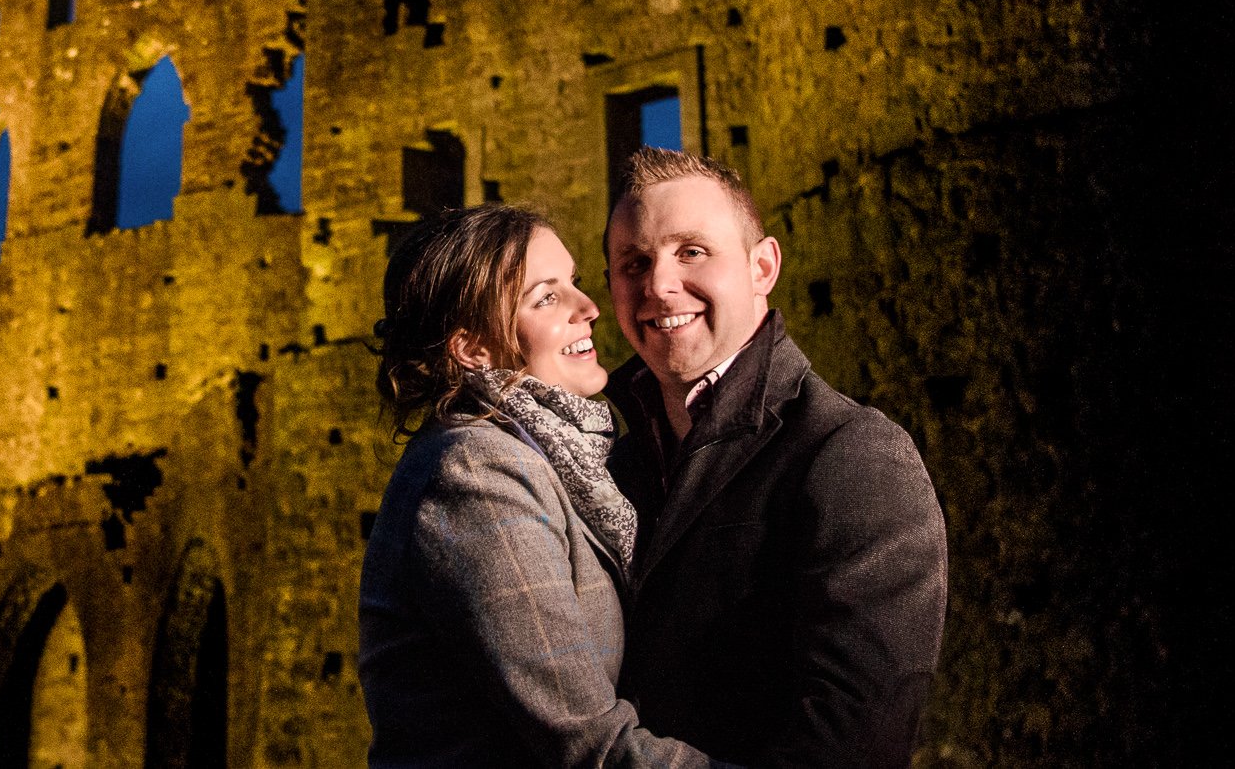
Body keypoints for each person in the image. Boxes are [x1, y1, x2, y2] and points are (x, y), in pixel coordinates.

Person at [604, 148, 947, 769]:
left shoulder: (850, 456)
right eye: (634, 262)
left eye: (692, 252)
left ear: (763, 267)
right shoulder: (610, 468)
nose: (658, 284)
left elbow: (850, 751)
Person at [360, 204, 726, 769]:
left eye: (575, 284)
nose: (589, 309)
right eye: (547, 297)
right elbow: (587, 745)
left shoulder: (550, 459)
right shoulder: (475, 474)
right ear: (473, 348)